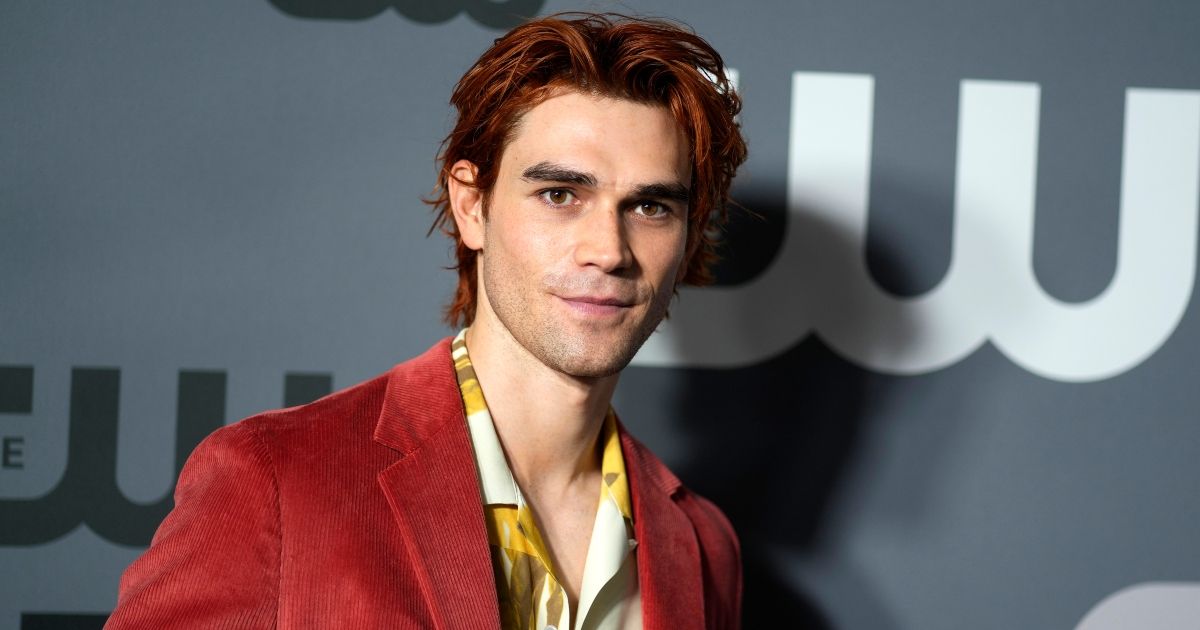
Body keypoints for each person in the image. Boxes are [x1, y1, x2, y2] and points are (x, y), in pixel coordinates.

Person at [107, 12, 747, 630]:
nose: (607, 250)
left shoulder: (701, 544)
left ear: (689, 236)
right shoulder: (273, 479)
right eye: (559, 195)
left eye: (651, 207)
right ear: (472, 206)